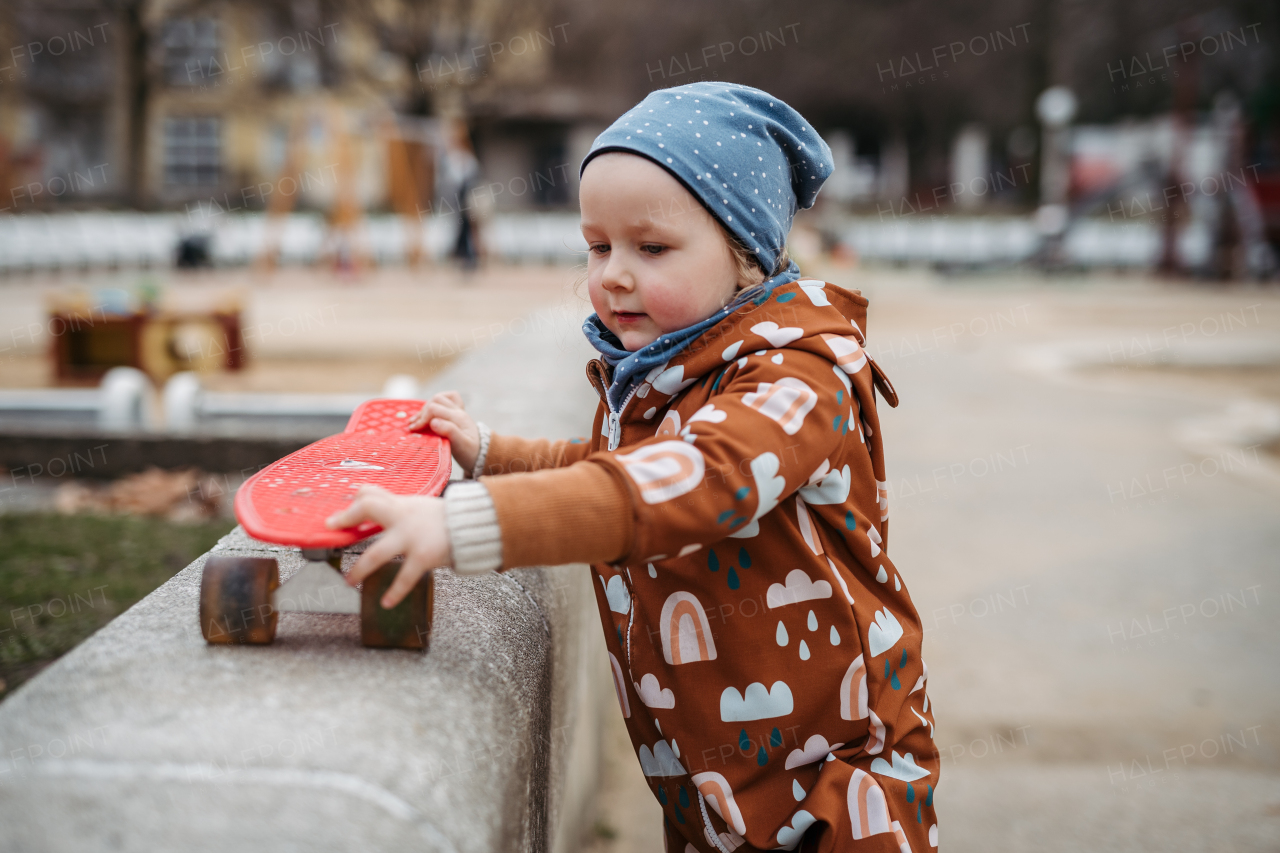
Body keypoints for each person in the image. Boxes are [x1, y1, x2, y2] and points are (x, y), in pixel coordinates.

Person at [326, 82, 939, 852]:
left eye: (650, 248)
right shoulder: (675, 368)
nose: (613, 273)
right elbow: (618, 468)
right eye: (597, 245)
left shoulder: (798, 382)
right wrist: (489, 454)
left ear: (746, 256)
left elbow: (691, 482)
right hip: (706, 778)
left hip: (834, 790)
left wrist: (466, 525)